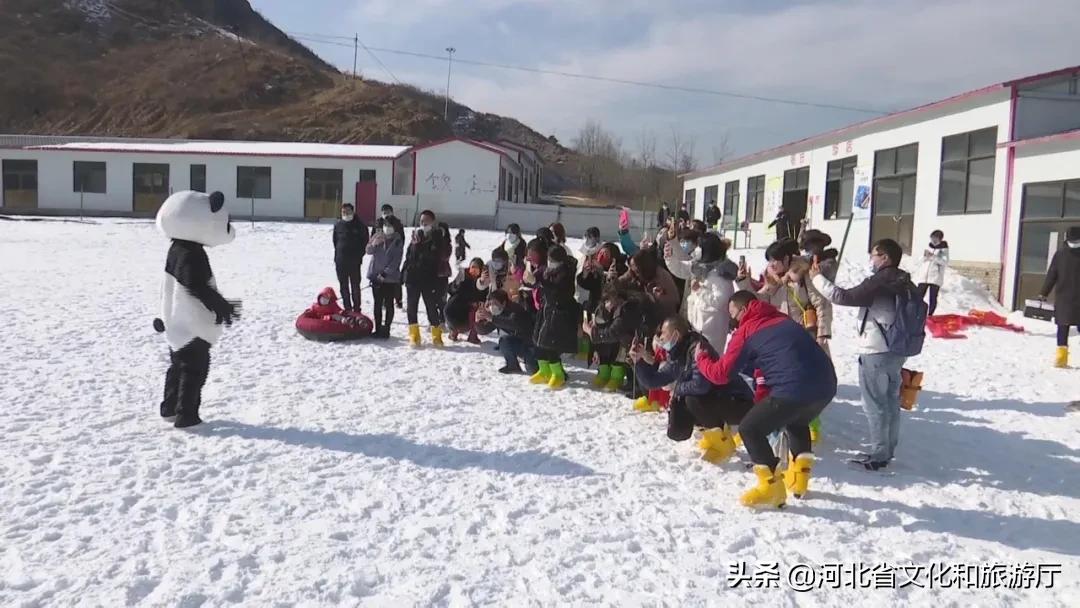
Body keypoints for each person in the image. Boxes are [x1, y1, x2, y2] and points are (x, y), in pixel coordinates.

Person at [696, 291, 837, 508]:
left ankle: (771, 488)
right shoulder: (782, 318)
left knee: (750, 429)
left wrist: (702, 358)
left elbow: (721, 374)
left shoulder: (746, 330)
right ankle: (799, 479)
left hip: (792, 388)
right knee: (797, 420)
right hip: (826, 385)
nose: (732, 320)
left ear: (743, 310)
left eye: (733, 314)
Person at [810, 238, 915, 471]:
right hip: (897, 349)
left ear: (885, 258)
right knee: (889, 401)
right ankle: (887, 448)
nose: (872, 259)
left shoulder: (881, 281)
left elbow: (843, 297)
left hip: (875, 349)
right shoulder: (904, 281)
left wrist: (816, 277)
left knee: (874, 403)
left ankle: (878, 454)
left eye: (874, 255)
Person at [632, 316, 754, 463]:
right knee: (681, 411)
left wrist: (677, 389)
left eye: (663, 333)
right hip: (717, 399)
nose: (661, 337)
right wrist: (638, 361)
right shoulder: (678, 354)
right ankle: (712, 435)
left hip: (739, 401)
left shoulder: (698, 348)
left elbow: (701, 385)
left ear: (676, 334)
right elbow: (654, 381)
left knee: (691, 399)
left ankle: (722, 443)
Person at [738, 238, 832, 350]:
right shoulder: (772, 279)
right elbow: (757, 302)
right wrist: (744, 281)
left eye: (775, 260)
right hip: (782, 339)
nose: (771, 265)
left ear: (786, 259)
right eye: (769, 261)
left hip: (807, 336)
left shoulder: (803, 273)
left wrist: (822, 335)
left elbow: (821, 304)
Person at [665, 232, 738, 352]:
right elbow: (681, 268)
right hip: (696, 326)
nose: (696, 249)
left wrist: (699, 291)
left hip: (711, 331)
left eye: (700, 246)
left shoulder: (721, 274)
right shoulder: (701, 266)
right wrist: (670, 257)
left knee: (708, 363)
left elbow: (721, 301)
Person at [527, 245, 580, 389]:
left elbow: (557, 291)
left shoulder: (565, 274)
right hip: (546, 311)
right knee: (538, 341)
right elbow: (535, 280)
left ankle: (558, 374)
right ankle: (544, 370)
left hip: (559, 314)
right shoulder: (547, 270)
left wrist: (539, 283)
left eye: (553, 260)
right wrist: (530, 280)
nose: (550, 262)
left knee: (551, 345)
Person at [584, 284, 646, 392]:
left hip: (639, 344)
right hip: (629, 344)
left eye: (609, 300)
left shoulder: (626, 310)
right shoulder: (621, 308)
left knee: (635, 363)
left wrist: (591, 333)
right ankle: (632, 384)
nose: (607, 304)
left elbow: (612, 333)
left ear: (616, 297)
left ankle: (640, 390)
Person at [402, 210, 448, 347]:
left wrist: (420, 245)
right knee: (412, 307)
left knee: (431, 307)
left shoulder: (437, 237)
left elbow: (435, 257)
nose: (423, 224)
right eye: (421, 221)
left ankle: (436, 335)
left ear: (432, 222)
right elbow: (409, 257)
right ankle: (414, 335)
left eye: (426, 221)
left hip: (429, 279)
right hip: (413, 278)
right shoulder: (416, 236)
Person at [1040, 226, 1080, 369]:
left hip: (1064, 298)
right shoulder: (1060, 254)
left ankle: (1061, 359)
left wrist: (1044, 293)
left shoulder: (1060, 254)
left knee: (1063, 327)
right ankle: (1061, 358)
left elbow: (1052, 275)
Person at [478, 289, 538, 375]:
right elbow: (484, 330)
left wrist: (492, 318)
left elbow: (512, 323)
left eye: (495, 303)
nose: (492, 306)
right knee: (504, 341)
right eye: (490, 304)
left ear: (504, 303)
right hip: (519, 343)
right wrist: (478, 321)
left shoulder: (515, 310)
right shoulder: (497, 313)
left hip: (531, 344)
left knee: (533, 371)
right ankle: (512, 365)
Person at [366, 218, 404, 339]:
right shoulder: (378, 236)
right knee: (377, 304)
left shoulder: (398, 241)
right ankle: (377, 329)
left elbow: (396, 261)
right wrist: (373, 243)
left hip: (390, 279)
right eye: (386, 225)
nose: (387, 228)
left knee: (388, 304)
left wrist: (385, 274)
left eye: (390, 225)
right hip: (375, 276)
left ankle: (386, 329)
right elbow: (368, 251)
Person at [619, 249, 680, 319]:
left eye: (637, 271)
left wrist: (651, 298)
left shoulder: (661, 278)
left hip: (664, 316)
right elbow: (619, 284)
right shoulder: (637, 274)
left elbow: (671, 301)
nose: (636, 274)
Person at [332, 203, 369, 312]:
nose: (346, 214)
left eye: (348, 212)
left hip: (354, 262)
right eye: (343, 212)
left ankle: (357, 308)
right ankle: (347, 308)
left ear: (353, 212)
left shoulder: (360, 226)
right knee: (343, 286)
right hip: (340, 261)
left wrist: (358, 256)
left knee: (355, 286)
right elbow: (335, 241)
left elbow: (365, 242)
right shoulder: (338, 225)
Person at [445, 257, 487, 344]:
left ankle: (473, 335)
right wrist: (456, 284)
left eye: (476, 268)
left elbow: (484, 296)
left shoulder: (483, 280)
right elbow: (450, 289)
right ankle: (454, 331)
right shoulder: (463, 274)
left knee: (478, 309)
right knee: (450, 308)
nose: (474, 270)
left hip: (470, 311)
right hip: (457, 306)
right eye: (472, 267)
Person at [374, 204, 406, 310]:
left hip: (393, 253)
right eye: (383, 211)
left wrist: (398, 248)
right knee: (381, 277)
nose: (385, 213)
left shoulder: (396, 223)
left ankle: (398, 299)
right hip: (380, 254)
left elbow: (402, 237)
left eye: (387, 211)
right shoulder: (378, 222)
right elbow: (372, 237)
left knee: (394, 276)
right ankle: (383, 300)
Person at [915, 230, 949, 316]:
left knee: (932, 297)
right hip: (924, 277)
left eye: (936, 239)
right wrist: (924, 257)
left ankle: (930, 315)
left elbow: (945, 262)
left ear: (940, 239)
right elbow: (919, 261)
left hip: (935, 278)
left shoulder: (943, 250)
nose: (933, 241)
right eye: (932, 238)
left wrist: (933, 257)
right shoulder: (928, 247)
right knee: (918, 296)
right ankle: (916, 313)